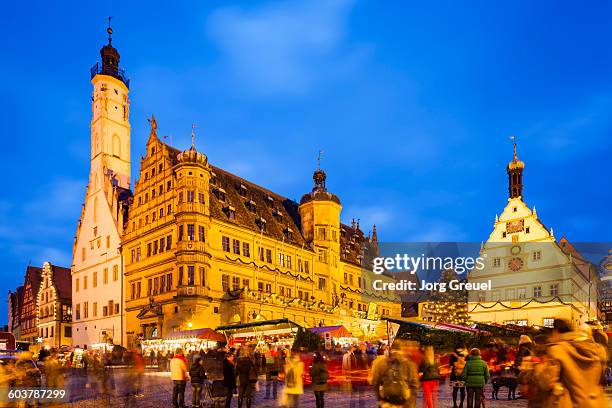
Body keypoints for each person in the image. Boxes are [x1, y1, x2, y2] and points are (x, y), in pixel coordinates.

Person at [535, 319, 607, 407]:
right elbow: (601, 379)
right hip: (596, 403)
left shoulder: (557, 350)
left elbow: (546, 383)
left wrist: (539, 369)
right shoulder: (596, 349)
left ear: (556, 331)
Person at [370, 339, 415, 408]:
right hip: (403, 400)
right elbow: (414, 385)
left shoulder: (381, 363)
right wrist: (410, 403)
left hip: (386, 400)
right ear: (401, 349)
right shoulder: (408, 363)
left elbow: (375, 382)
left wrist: (380, 400)